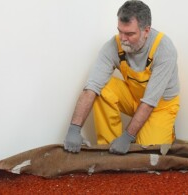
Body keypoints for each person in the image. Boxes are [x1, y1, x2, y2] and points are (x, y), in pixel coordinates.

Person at [64, 0, 180, 154]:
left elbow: (150, 102)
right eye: (120, 31)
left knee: (146, 153)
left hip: (159, 106)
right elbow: (91, 87)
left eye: (130, 33)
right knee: (102, 87)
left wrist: (127, 136)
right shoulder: (114, 45)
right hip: (134, 98)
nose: (123, 38)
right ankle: (108, 148)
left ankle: (166, 132)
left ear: (146, 31)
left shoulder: (164, 49)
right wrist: (74, 129)